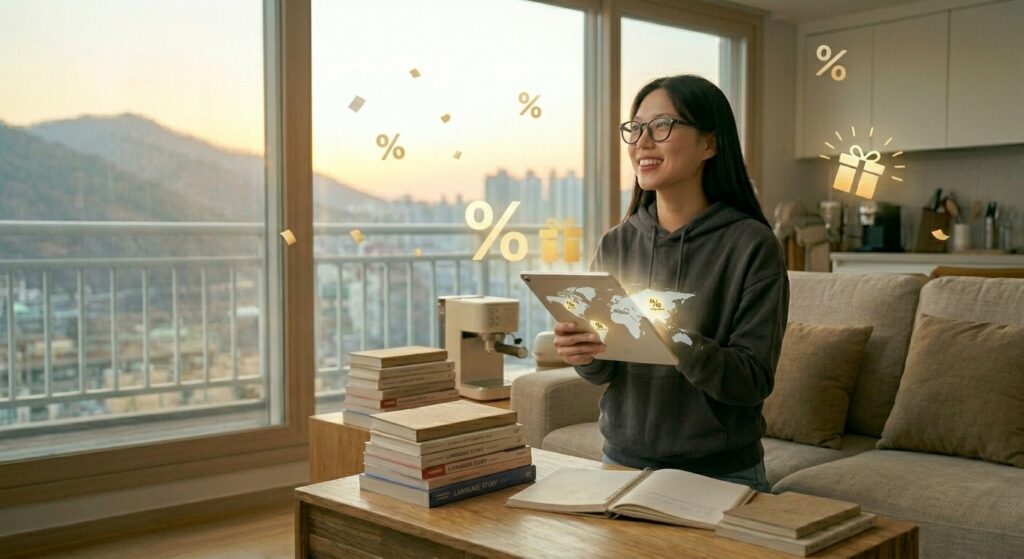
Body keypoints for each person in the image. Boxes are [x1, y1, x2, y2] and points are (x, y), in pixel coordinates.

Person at [553, 75, 789, 493]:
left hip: (721, 474)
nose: (643, 141)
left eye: (662, 126)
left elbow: (752, 380)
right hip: (621, 465)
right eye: (636, 128)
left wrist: (673, 337)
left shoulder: (752, 245)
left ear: (709, 145)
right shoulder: (616, 243)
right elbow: (603, 372)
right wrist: (584, 353)